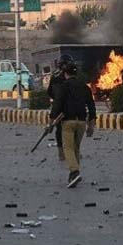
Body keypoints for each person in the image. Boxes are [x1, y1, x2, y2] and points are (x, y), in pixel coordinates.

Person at [49, 59, 97, 188]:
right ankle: (73, 174)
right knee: (76, 148)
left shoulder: (63, 87)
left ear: (65, 74)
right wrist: (91, 124)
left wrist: (51, 121)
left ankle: (75, 171)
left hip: (68, 123)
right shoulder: (85, 87)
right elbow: (91, 105)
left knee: (68, 148)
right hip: (81, 122)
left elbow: (57, 103)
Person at [47, 54, 73, 162]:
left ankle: (62, 153)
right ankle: (65, 153)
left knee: (61, 130)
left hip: (60, 105)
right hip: (65, 105)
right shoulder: (64, 76)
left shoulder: (55, 75)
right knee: (68, 129)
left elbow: (49, 92)